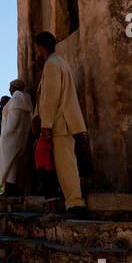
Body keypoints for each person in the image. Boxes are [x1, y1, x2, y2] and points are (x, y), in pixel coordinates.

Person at [33, 31, 89, 218]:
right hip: (64, 122)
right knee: (66, 163)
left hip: (60, 123)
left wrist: (46, 126)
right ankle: (71, 203)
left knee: (66, 165)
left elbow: (50, 98)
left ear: (41, 47)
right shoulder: (60, 62)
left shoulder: (52, 65)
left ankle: (75, 204)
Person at [0, 79, 33, 196]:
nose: (9, 90)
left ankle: (10, 189)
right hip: (21, 136)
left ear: (14, 88)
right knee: (15, 162)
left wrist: (6, 134)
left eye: (11, 87)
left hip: (13, 137)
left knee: (10, 162)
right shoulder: (25, 99)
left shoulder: (17, 99)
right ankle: (13, 188)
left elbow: (14, 120)